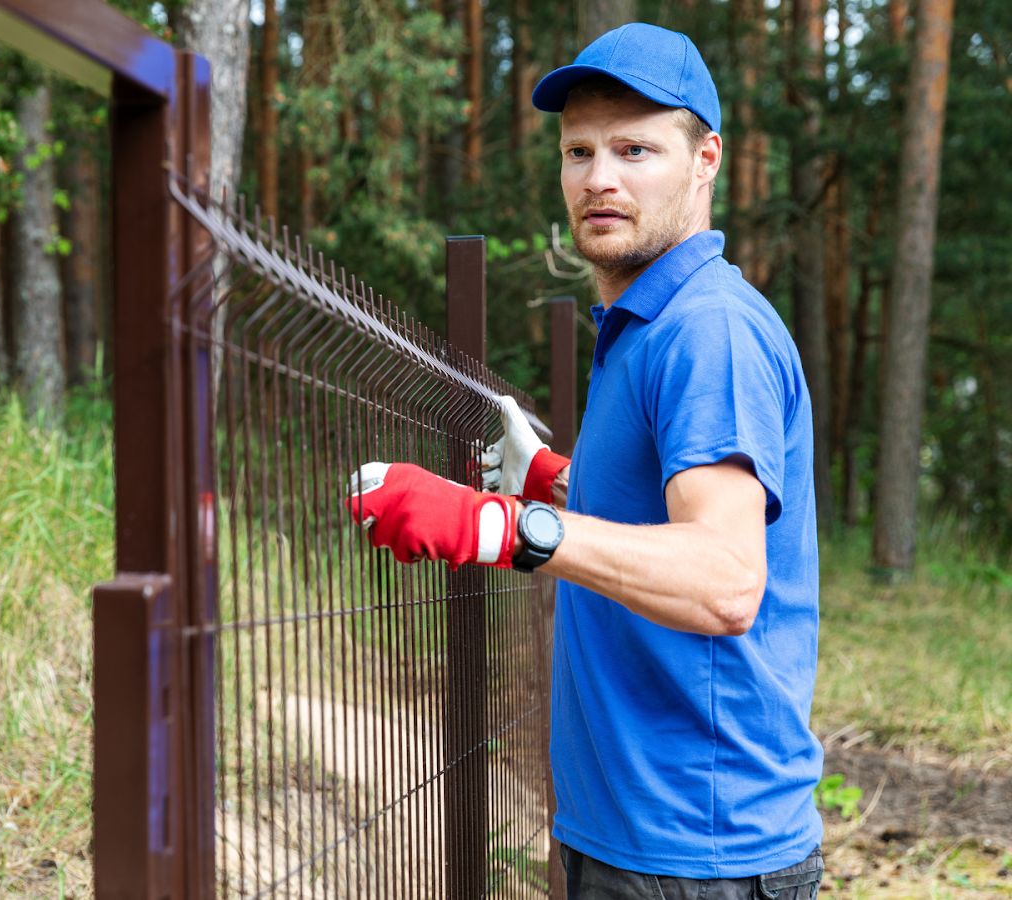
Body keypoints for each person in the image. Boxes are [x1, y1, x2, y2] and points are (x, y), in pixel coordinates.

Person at [347, 23, 825, 900]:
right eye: (579, 151)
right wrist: (555, 482)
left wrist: (502, 526)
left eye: (635, 149)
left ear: (706, 158)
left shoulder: (706, 331)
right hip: (632, 832)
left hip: (698, 853)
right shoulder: (645, 323)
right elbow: (666, 515)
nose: (600, 177)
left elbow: (723, 578)